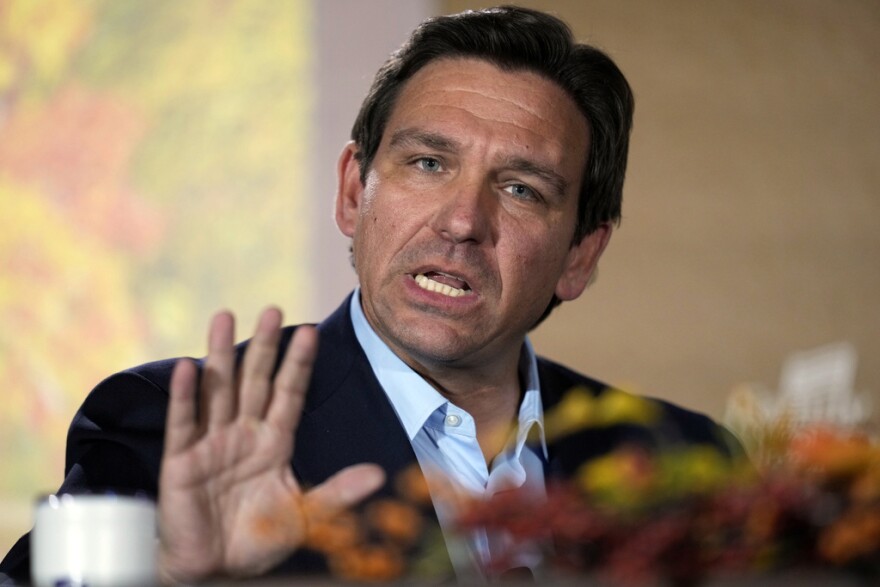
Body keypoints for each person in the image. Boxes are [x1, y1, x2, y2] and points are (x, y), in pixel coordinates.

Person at [0, 5, 742, 584]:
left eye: (521, 188)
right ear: (354, 191)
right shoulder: (167, 425)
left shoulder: (683, 461)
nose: (461, 221)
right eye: (427, 162)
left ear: (580, 254)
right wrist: (169, 574)